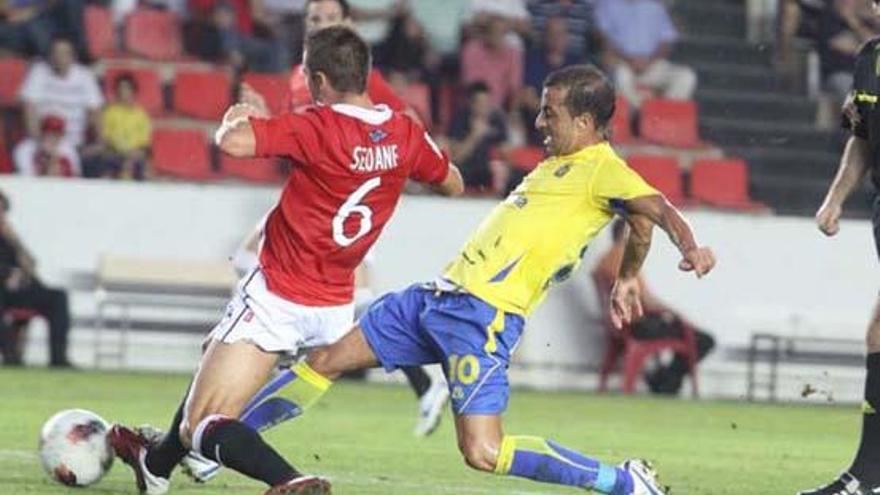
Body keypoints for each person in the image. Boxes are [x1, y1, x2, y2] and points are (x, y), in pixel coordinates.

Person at [215, 64, 716, 494]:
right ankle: (216, 444)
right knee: (324, 360)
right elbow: (638, 223)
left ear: (585, 122)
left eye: (551, 114)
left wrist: (689, 247)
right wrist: (627, 276)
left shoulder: (604, 169)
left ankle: (623, 482)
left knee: (484, 451)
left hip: (484, 317)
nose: (539, 121)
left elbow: (655, 209)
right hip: (437, 298)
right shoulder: (562, 162)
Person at [109, 26, 463, 495]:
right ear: (366, 75)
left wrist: (241, 115)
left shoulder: (314, 126)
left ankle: (290, 481)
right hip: (335, 304)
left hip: (278, 296)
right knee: (212, 362)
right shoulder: (404, 132)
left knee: (202, 423)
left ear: (317, 81)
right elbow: (452, 183)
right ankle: (154, 465)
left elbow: (233, 143)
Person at [802, 2, 880, 492]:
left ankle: (868, 476)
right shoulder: (870, 58)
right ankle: (869, 475)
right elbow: (862, 138)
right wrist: (834, 200)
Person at [592, 219, 715, 395]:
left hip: (621, 325)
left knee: (688, 334)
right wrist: (675, 313)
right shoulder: (624, 257)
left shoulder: (605, 260)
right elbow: (647, 301)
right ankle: (665, 383)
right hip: (639, 324)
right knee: (703, 340)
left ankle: (663, 380)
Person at [283, 0, 406, 113]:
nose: (322, 26)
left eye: (331, 18)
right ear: (305, 23)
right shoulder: (296, 75)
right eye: (315, 19)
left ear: (346, 23)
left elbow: (406, 118)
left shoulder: (361, 76)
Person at [0, 190, 73, 367]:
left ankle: (58, 358)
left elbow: (30, 264)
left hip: (18, 288)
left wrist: (15, 243)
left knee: (58, 297)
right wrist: (7, 274)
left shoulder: (9, 237)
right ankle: (12, 357)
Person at [594, 0, 696, 109]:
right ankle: (642, 112)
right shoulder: (607, 4)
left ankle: (661, 113)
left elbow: (666, 41)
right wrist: (629, 60)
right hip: (621, 63)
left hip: (652, 64)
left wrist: (649, 62)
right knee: (620, 76)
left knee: (686, 76)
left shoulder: (655, 7)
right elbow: (603, 38)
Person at [19, 35, 103, 148]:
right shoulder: (39, 71)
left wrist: (99, 142)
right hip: (43, 142)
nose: (59, 57)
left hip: (75, 144)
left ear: (73, 57)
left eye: (64, 53)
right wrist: (37, 142)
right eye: (55, 52)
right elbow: (29, 109)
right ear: (50, 55)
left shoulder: (85, 76)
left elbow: (95, 111)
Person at [447, 81, 510, 194]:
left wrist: (500, 157)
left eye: (487, 102)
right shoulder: (460, 119)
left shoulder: (497, 119)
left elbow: (506, 151)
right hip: (464, 169)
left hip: (488, 170)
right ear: (471, 103)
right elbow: (457, 157)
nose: (484, 106)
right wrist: (475, 136)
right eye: (479, 103)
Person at [460, 14, 523, 109]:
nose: (497, 36)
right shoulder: (471, 50)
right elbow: (470, 84)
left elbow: (514, 89)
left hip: (500, 110)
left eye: (501, 33)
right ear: (486, 33)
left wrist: (512, 114)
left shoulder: (513, 54)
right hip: (473, 108)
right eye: (494, 31)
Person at [100, 72, 152, 180]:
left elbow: (144, 144)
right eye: (120, 88)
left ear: (133, 91)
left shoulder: (141, 115)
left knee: (141, 163)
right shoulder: (110, 112)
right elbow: (106, 139)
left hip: (135, 155)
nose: (123, 92)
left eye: (126, 88)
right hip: (115, 153)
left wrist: (131, 155)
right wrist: (121, 152)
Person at [13, 114, 80, 177]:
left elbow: (75, 177)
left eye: (56, 134)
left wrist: (55, 159)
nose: (52, 137)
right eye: (48, 133)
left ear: (62, 135)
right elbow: (26, 178)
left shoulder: (69, 151)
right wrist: (45, 159)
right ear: (41, 133)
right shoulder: (25, 148)